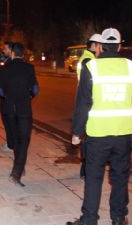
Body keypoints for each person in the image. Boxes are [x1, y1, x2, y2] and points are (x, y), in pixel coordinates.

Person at [68, 28, 132, 225]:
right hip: (124, 133)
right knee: (120, 176)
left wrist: (77, 132)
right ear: (120, 46)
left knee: (94, 177)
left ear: (102, 46)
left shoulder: (92, 68)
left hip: (98, 134)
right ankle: (119, 217)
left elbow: (83, 103)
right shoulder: (130, 67)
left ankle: (89, 220)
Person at [0, 42, 39, 187]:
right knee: (24, 140)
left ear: (13, 53)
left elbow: (0, 92)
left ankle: (19, 167)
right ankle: (16, 172)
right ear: (23, 54)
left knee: (15, 140)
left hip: (8, 110)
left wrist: (9, 97)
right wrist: (27, 97)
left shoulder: (3, 69)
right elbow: (35, 89)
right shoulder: (29, 68)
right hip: (24, 110)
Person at [76, 34, 102, 179]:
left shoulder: (88, 58)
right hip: (89, 102)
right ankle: (85, 170)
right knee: (88, 139)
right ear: (94, 45)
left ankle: (84, 170)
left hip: (87, 100)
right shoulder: (88, 60)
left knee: (87, 138)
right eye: (100, 44)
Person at [0, 41, 14, 152]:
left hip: (7, 97)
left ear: (11, 50)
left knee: (8, 121)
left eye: (5, 49)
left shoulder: (10, 62)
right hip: (5, 96)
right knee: (6, 121)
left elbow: (2, 78)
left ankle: (11, 145)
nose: (3, 50)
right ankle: (10, 142)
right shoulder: (7, 61)